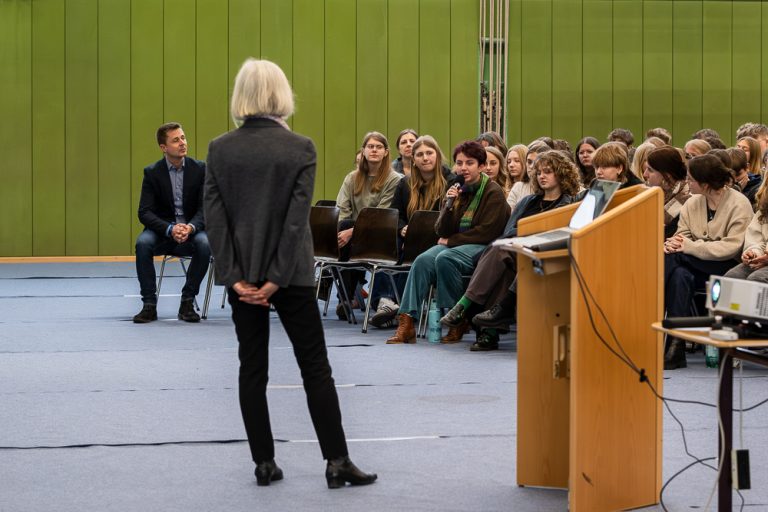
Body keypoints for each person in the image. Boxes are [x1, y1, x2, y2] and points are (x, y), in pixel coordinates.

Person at [204, 58, 376, 488]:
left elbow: (216, 220)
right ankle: (336, 461)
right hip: (292, 276)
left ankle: (264, 464)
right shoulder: (301, 147)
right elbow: (297, 221)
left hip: (243, 275)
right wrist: (277, 279)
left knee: (252, 368)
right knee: (315, 367)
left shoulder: (218, 149)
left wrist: (236, 278)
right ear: (282, 93)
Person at [440, 150, 581, 350]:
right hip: (514, 252)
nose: (542, 176)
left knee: (501, 254)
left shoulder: (570, 204)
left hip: (544, 256)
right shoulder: (527, 202)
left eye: (548, 171)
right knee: (502, 259)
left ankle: (466, 307)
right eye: (539, 172)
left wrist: (527, 233)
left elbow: (561, 235)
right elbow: (508, 232)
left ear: (561, 174)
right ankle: (488, 332)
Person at [386, 140, 510, 344]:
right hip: (456, 244)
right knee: (423, 260)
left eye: (469, 163)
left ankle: (457, 321)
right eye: (460, 163)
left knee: (445, 258)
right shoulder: (457, 188)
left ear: (480, 166)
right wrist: (449, 205)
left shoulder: (492, 192)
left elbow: (488, 232)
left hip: (483, 248)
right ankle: (406, 322)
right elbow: (440, 229)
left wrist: (451, 240)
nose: (463, 168)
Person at [663, 154, 753, 369]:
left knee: (674, 260)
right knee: (679, 275)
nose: (687, 183)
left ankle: (674, 342)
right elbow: (682, 235)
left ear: (704, 183)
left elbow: (731, 247)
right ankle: (676, 348)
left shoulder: (739, 204)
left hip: (726, 267)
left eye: (690, 179)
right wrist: (674, 244)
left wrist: (688, 247)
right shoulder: (693, 203)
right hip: (691, 265)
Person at [133, 122, 211, 324]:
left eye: (183, 138)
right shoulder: (152, 172)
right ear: (163, 147)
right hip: (162, 232)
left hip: (192, 230)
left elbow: (206, 208)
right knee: (142, 244)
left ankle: (187, 301)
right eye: (176, 140)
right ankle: (149, 305)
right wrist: (170, 229)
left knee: (205, 244)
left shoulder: (200, 169)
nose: (182, 143)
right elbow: (144, 212)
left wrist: (191, 227)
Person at [369, 135, 451, 328]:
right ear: (413, 159)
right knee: (388, 242)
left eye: (429, 153)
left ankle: (399, 307)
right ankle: (384, 302)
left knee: (410, 250)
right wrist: (401, 228)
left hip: (436, 239)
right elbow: (396, 213)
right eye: (420, 154)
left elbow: (450, 218)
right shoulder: (405, 183)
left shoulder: (450, 181)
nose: (425, 158)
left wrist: (416, 231)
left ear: (437, 155)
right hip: (409, 237)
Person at [335, 131, 402, 319]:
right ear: (363, 151)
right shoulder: (351, 178)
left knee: (346, 231)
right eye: (370, 146)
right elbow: (343, 209)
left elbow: (381, 216)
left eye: (378, 147)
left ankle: (346, 298)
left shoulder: (394, 179)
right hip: (351, 234)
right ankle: (347, 299)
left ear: (386, 152)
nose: (374, 150)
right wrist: (350, 231)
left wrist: (351, 232)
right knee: (342, 226)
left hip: (381, 235)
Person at [724, 178, 768, 284]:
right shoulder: (764, 211)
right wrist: (754, 253)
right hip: (764, 259)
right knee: (731, 277)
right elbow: (757, 239)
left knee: (756, 279)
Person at [643, 146, 691, 238]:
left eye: (650, 170)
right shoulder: (653, 192)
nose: (645, 174)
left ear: (667, 175)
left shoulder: (686, 198)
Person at [507, 140, 549, 210]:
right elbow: (508, 215)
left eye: (536, 162)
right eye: (529, 162)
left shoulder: (551, 188)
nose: (531, 166)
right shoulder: (518, 187)